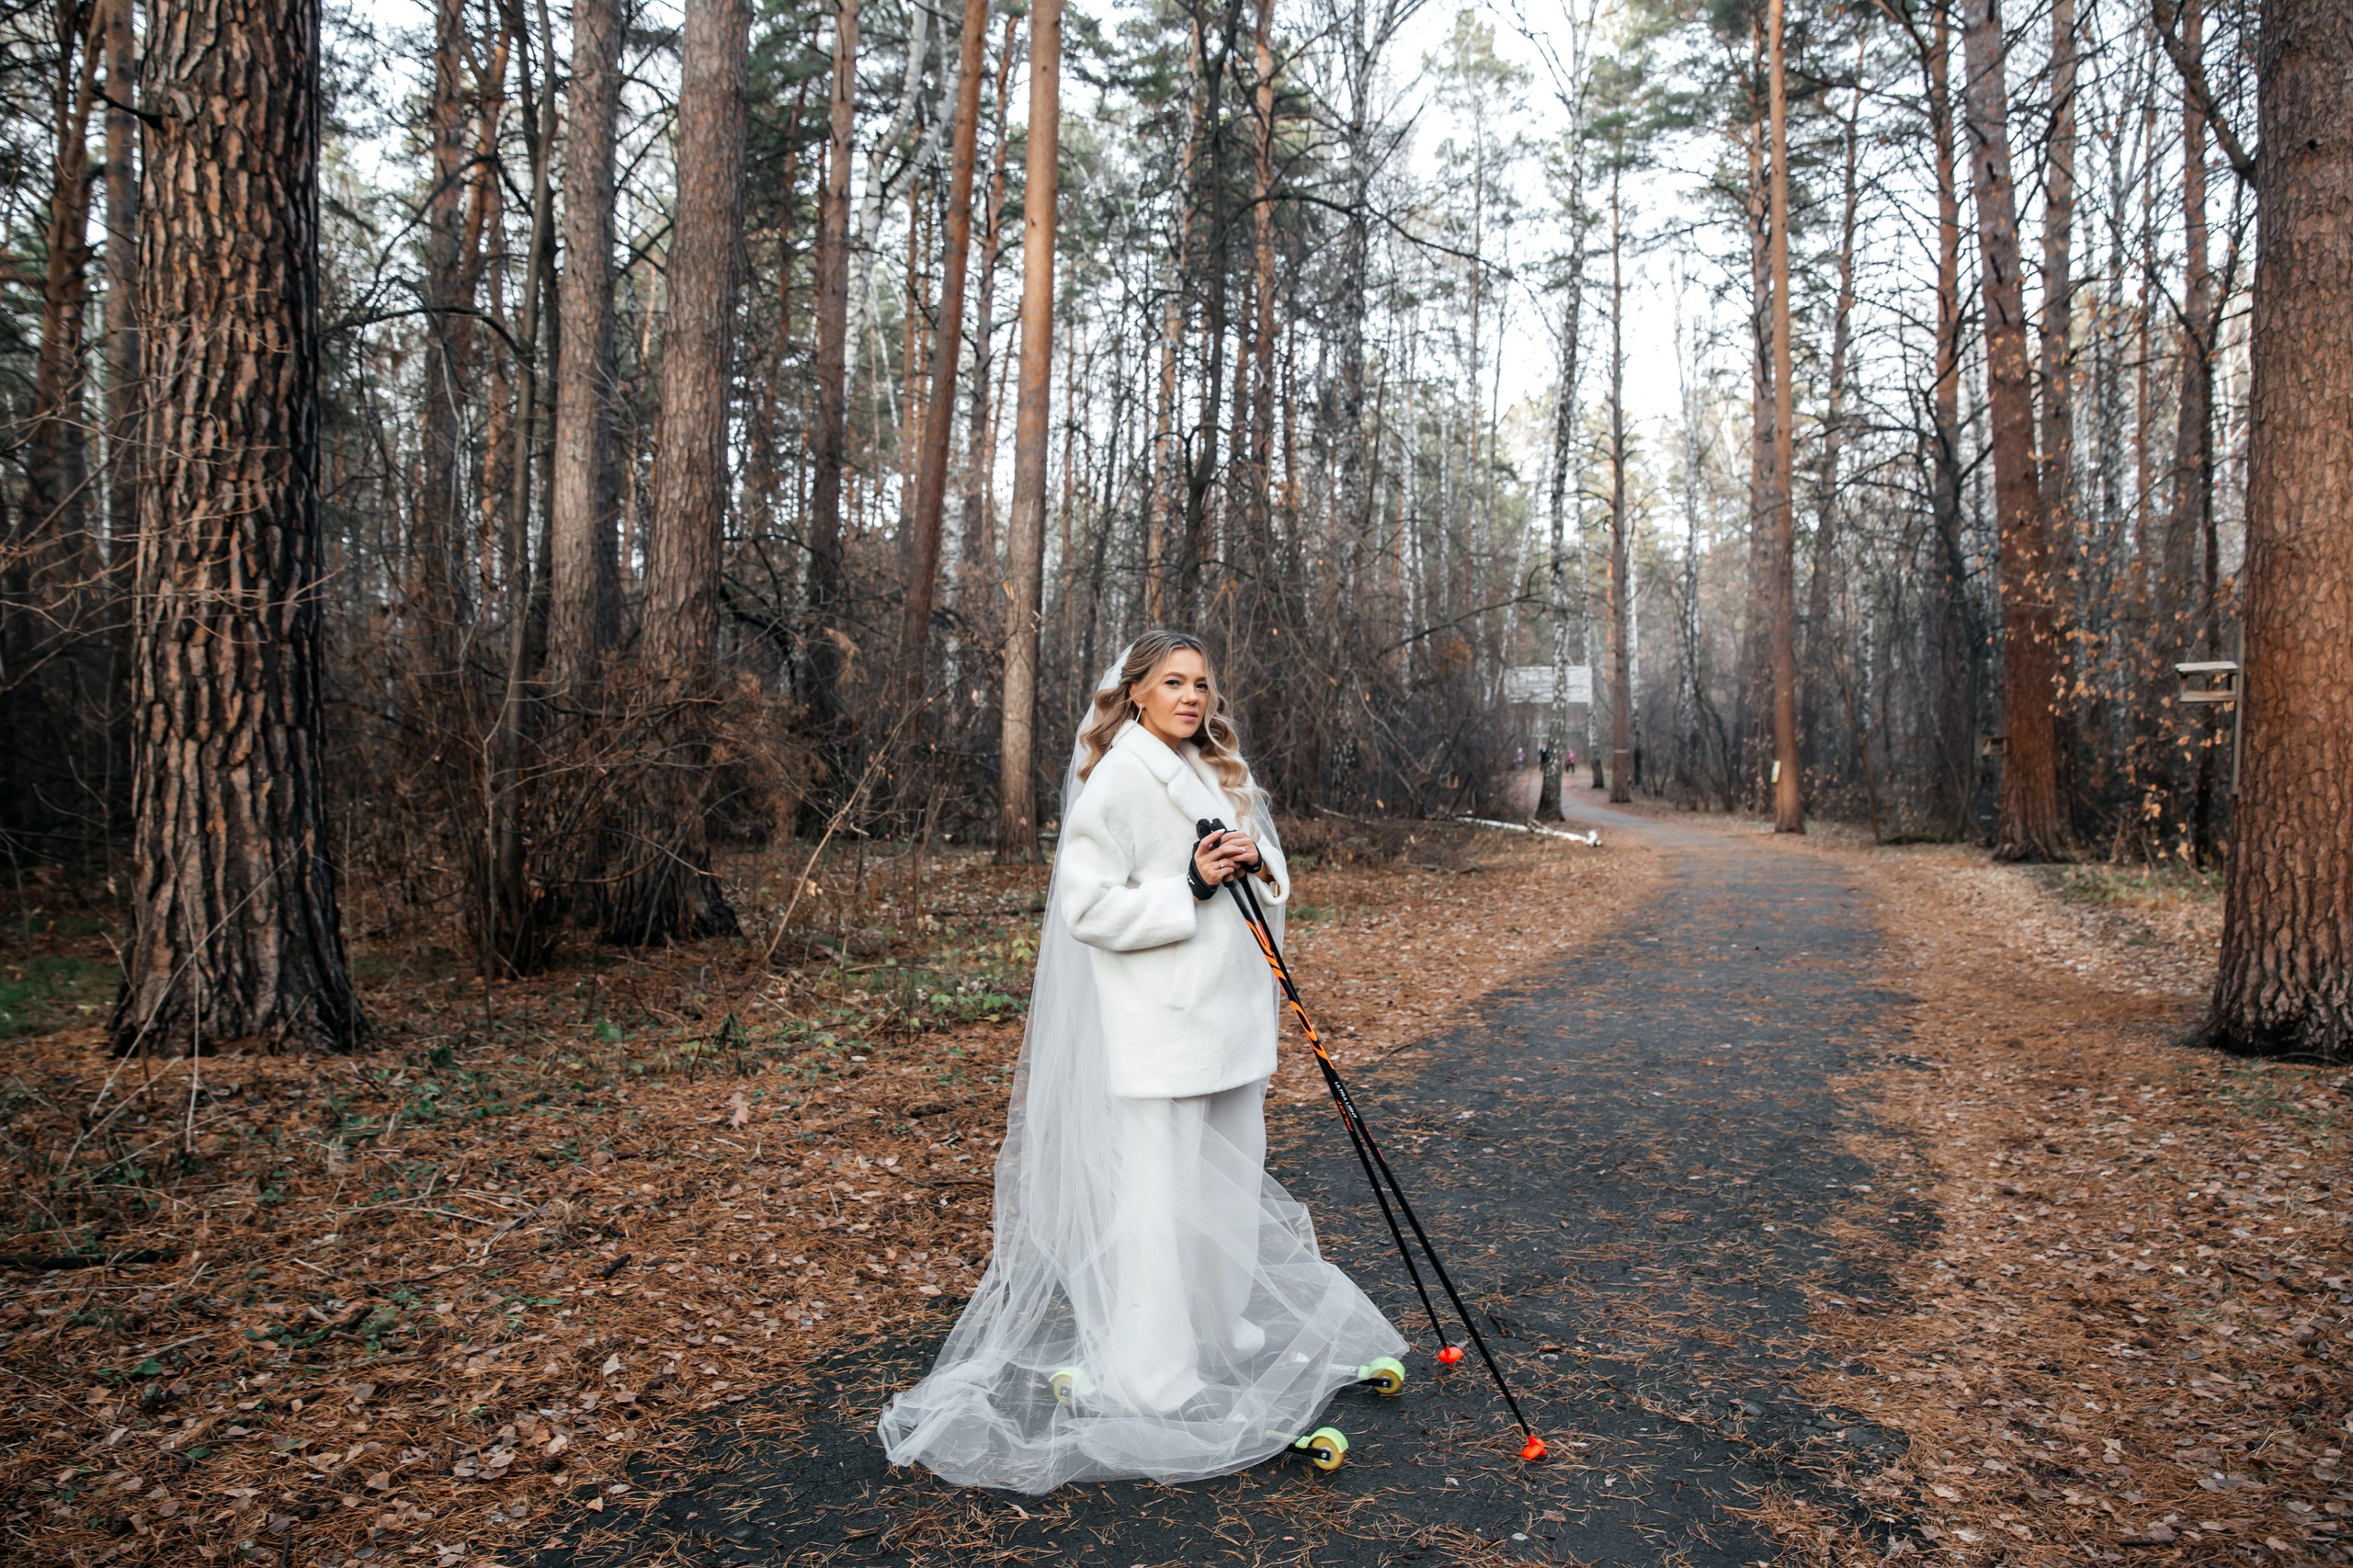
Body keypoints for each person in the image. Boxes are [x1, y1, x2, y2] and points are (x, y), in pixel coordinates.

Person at [877, 631, 1403, 1494]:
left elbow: (1270, 880)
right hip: (1161, 1028)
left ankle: (1219, 1332)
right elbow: (1085, 909)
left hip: (1232, 1023)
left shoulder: (1216, 769)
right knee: (1157, 1203)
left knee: (1229, 1188)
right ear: (1137, 693)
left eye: (1201, 683)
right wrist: (1188, 886)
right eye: (1173, 682)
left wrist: (1254, 860)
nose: (1192, 697)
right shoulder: (1119, 778)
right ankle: (1153, 1373)